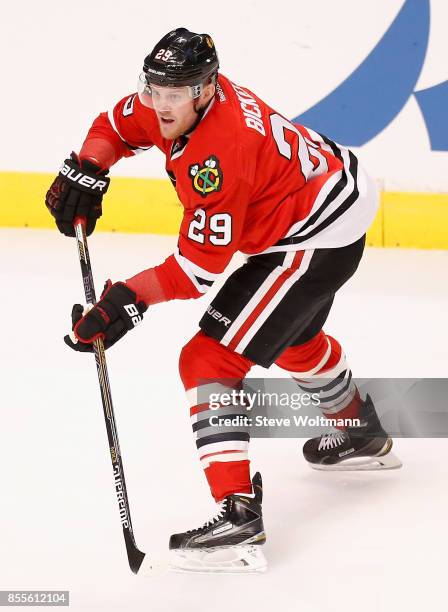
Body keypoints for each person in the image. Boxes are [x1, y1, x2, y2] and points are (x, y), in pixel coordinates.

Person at [45, 27, 401, 573]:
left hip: (315, 234)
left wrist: (123, 302)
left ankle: (238, 516)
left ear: (207, 90)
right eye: (154, 89)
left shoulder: (219, 152)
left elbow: (197, 270)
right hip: (332, 201)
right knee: (291, 337)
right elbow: (115, 125)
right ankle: (360, 429)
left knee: (209, 358)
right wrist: (90, 165)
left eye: (174, 94)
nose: (160, 105)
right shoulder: (176, 100)